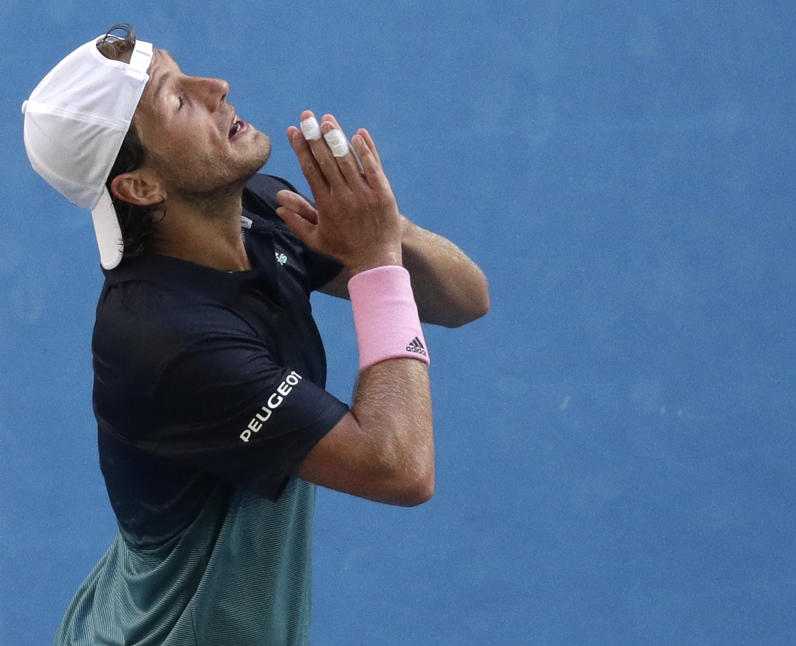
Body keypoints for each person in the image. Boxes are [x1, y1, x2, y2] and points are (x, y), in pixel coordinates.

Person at [22, 23, 489, 645]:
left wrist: (384, 224)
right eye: (178, 98)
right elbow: (400, 468)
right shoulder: (171, 342)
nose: (216, 86)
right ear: (140, 186)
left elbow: (464, 300)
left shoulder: (262, 212)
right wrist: (377, 262)